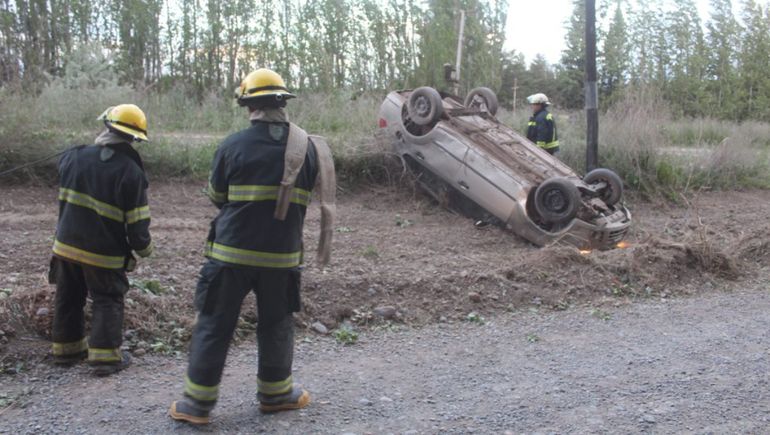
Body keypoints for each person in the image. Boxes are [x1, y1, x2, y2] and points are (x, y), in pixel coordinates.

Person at [168, 68, 336, 425]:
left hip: (230, 256)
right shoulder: (308, 149)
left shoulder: (233, 145)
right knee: (277, 325)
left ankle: (196, 405)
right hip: (282, 258)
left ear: (249, 106)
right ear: (282, 103)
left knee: (214, 323)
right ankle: (276, 395)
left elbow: (217, 196)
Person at [49, 104, 153, 376]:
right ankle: (105, 359)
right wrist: (144, 248)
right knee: (107, 299)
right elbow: (137, 224)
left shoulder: (73, 156)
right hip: (103, 255)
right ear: (134, 138)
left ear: (107, 125)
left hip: (65, 247)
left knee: (68, 297)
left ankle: (66, 353)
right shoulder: (131, 172)